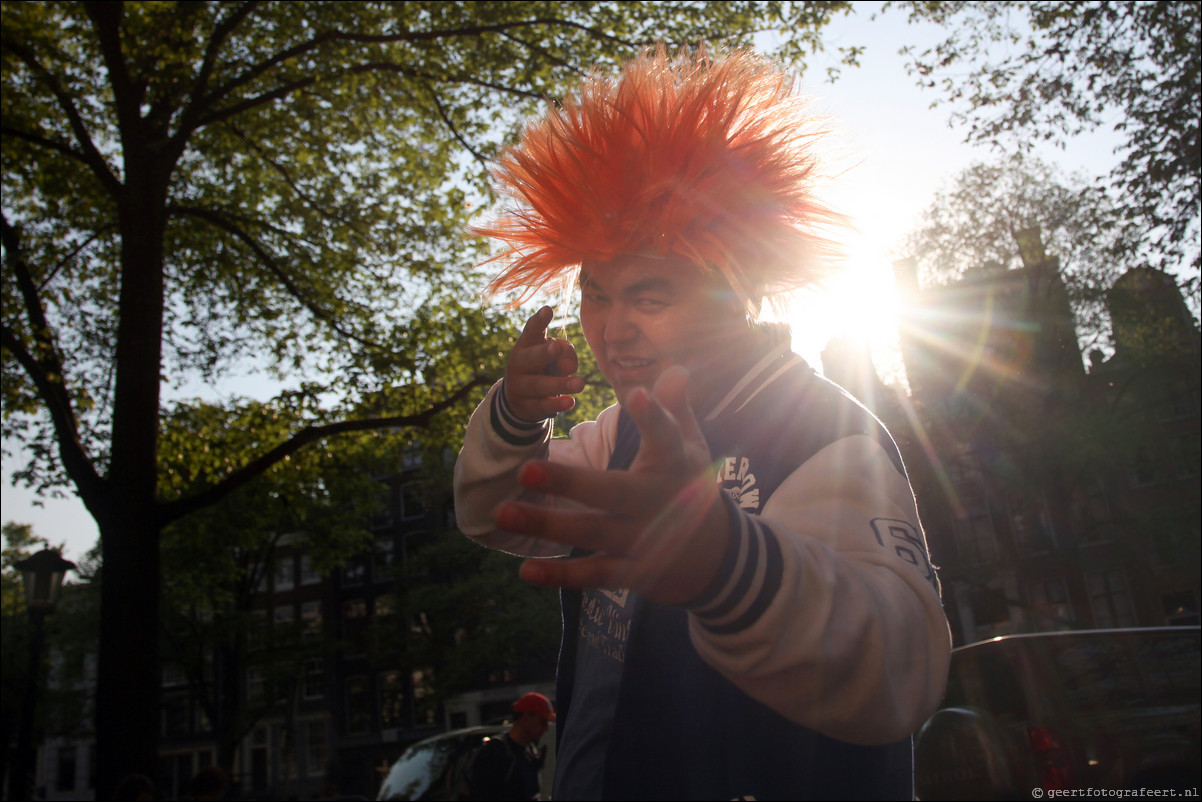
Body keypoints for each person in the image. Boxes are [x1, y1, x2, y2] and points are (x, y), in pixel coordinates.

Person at [454, 46, 952, 800]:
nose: (611, 330)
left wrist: (726, 566)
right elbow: (492, 514)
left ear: (736, 293)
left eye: (650, 299)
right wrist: (515, 417)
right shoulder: (616, 432)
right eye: (595, 296)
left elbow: (901, 672)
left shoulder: (824, 433)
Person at [466, 692, 556, 800]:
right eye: (543, 722)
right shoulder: (495, 752)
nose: (546, 728)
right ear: (526, 716)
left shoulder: (530, 751)